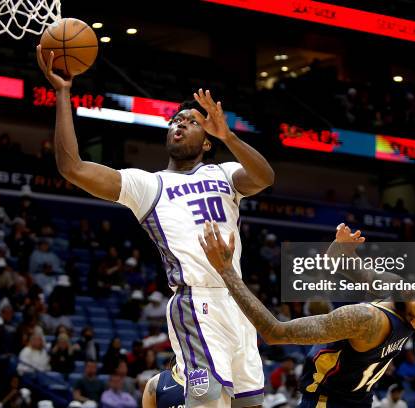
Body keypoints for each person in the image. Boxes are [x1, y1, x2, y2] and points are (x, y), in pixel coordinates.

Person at [37, 43, 274, 408]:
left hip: (239, 300)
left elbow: (265, 177)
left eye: (191, 121)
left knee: (248, 405)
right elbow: (73, 168)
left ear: (208, 142)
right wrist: (63, 93)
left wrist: (230, 136)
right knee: (207, 398)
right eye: (176, 120)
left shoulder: (224, 173)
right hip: (197, 301)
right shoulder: (147, 185)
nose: (180, 123)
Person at [198, 221, 415, 408]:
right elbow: (340, 263)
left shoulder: (367, 320)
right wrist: (341, 248)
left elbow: (274, 332)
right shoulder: (396, 289)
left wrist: (227, 272)